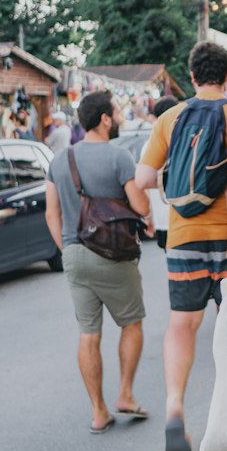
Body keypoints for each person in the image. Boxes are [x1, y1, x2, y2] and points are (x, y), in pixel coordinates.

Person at [136, 42, 227, 451]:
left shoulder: (171, 118)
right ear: (226, 74)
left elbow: (143, 178)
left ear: (192, 76)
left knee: (182, 324)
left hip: (184, 238)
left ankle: (175, 406)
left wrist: (183, 183)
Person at [45, 91, 152, 433]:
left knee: (88, 334)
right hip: (113, 254)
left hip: (74, 254)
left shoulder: (59, 160)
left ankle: (98, 412)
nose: (119, 117)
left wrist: (67, 249)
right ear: (105, 119)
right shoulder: (118, 157)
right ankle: (125, 395)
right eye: (116, 112)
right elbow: (142, 207)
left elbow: (52, 212)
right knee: (131, 324)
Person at [148, 95, 177, 250]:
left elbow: (145, 182)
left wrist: (149, 216)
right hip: (180, 216)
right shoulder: (183, 139)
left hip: (162, 218)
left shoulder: (151, 142)